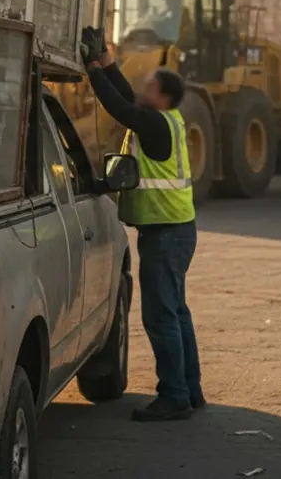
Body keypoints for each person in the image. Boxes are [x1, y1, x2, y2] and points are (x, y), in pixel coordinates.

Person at [79, 27, 205, 422]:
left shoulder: (153, 123)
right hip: (177, 231)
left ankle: (174, 397)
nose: (142, 89)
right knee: (177, 313)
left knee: (161, 317)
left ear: (162, 97)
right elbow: (129, 99)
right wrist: (109, 62)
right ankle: (190, 388)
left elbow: (119, 108)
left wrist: (93, 69)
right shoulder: (166, 119)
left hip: (165, 234)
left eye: (149, 86)